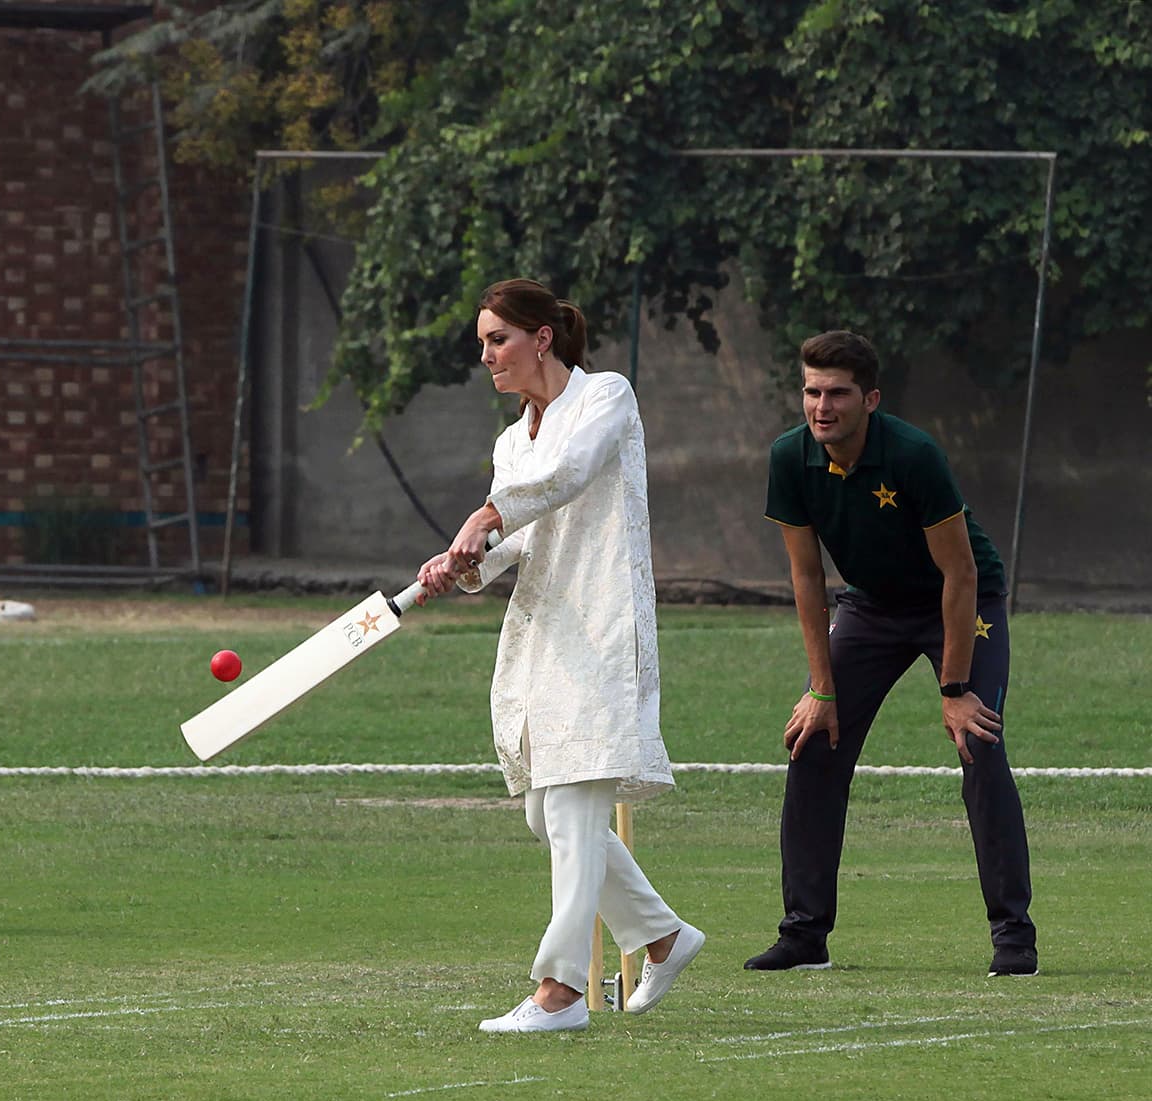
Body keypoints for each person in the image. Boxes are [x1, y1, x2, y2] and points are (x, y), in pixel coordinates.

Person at [417, 278, 705, 1032]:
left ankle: (562, 992)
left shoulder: (608, 395)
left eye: (497, 339)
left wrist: (484, 513)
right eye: (482, 343)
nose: (487, 356)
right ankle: (665, 936)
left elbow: (569, 474)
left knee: (575, 812)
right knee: (548, 815)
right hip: (547, 632)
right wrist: (467, 562)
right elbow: (519, 536)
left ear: (541, 336)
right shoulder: (512, 440)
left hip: (607, 622)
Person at [748, 330, 1036, 977]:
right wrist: (821, 690)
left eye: (838, 393)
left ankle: (1014, 936)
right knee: (812, 741)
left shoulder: (913, 455)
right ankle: (804, 934)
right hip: (871, 606)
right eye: (812, 391)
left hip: (961, 601)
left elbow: (960, 575)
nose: (822, 405)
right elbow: (806, 579)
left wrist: (956, 688)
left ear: (870, 397)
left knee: (979, 744)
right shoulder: (790, 459)